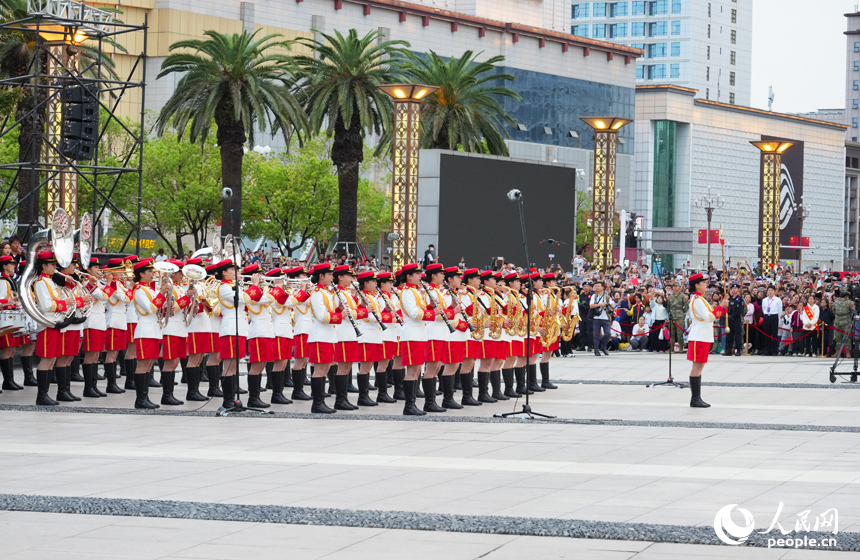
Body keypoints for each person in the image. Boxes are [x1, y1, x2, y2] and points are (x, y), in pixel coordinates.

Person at [132, 258, 171, 409]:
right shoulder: (139, 291)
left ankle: (145, 397)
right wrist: (161, 293)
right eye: (149, 272)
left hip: (154, 330)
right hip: (145, 330)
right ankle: (140, 399)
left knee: (149, 365)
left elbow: (158, 307)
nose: (152, 274)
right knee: (142, 365)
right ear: (141, 274)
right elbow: (150, 309)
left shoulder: (150, 289)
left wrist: (167, 307)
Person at [686, 273, 726, 408]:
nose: (706, 285)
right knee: (697, 367)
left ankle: (697, 397)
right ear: (696, 285)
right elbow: (708, 317)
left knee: (700, 367)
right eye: (703, 283)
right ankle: (695, 398)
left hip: (703, 336)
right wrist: (721, 307)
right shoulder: (697, 300)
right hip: (699, 336)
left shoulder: (701, 299)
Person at [589, 281, 613, 356]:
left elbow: (612, 306)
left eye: (599, 286)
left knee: (607, 333)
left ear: (603, 287)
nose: (597, 287)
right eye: (596, 286)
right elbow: (591, 306)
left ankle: (603, 347)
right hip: (596, 317)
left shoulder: (607, 297)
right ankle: (596, 350)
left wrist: (608, 307)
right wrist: (600, 304)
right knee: (596, 334)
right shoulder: (594, 296)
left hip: (605, 317)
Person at [761, 285, 782, 356]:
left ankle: (774, 350)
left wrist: (778, 319)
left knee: (774, 334)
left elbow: (779, 310)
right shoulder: (764, 300)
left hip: (774, 316)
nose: (770, 292)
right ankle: (767, 349)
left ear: (774, 291)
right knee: (767, 334)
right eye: (769, 290)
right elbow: (763, 309)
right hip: (767, 316)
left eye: (772, 290)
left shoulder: (778, 300)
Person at [724, 285, 745, 356]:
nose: (734, 290)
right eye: (733, 288)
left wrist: (732, 315)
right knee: (729, 335)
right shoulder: (729, 299)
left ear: (738, 290)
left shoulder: (740, 299)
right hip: (730, 320)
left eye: (735, 288)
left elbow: (740, 310)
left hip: (736, 319)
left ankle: (738, 350)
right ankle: (728, 350)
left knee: (737, 335)